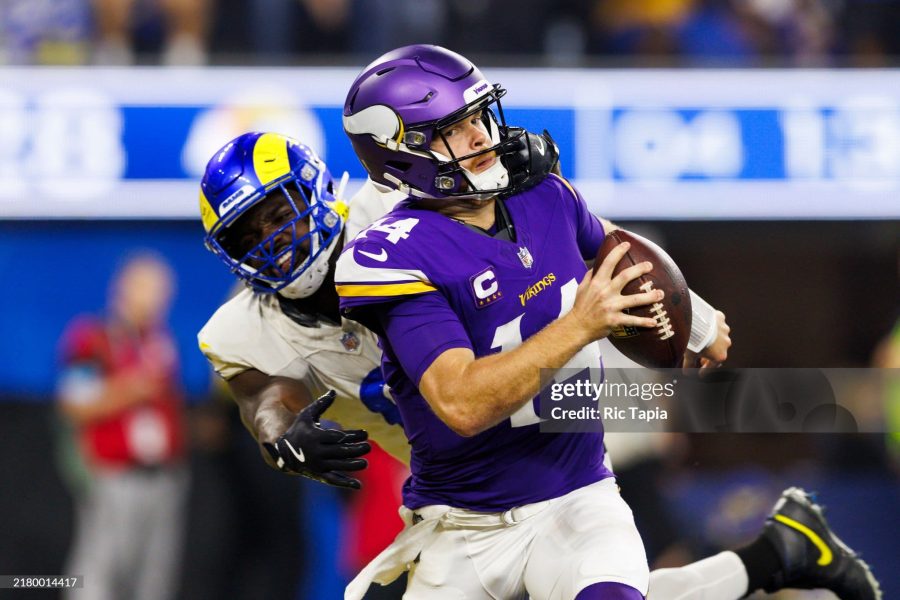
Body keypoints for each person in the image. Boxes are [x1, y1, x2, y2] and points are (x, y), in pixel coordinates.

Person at [335, 44, 881, 600]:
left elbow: (620, 252)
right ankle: (780, 552)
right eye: (453, 129)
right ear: (402, 151)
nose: (479, 136)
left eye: (478, 116)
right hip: (461, 527)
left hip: (576, 496)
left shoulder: (546, 196)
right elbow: (462, 404)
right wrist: (579, 325)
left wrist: (693, 322)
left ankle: (783, 550)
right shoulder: (390, 256)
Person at [57, 252, 188, 600]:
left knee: (155, 573)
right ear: (124, 289)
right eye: (151, 289)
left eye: (164, 291)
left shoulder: (160, 339)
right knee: (101, 568)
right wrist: (128, 391)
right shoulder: (94, 337)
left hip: (163, 475)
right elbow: (75, 404)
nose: (160, 300)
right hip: (114, 474)